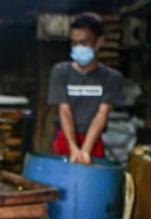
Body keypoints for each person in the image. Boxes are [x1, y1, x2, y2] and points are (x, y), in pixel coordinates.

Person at [47, 12, 123, 165]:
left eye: (84, 43)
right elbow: (64, 111)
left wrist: (86, 150)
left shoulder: (112, 78)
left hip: (93, 139)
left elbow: (102, 115)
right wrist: (73, 147)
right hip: (66, 138)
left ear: (99, 42)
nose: (78, 48)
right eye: (74, 43)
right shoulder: (61, 72)